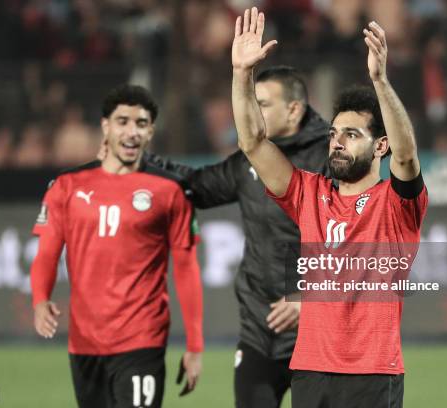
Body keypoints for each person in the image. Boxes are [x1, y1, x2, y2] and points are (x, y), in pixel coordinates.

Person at [99, 65, 329, 407]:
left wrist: (309, 296)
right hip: (260, 331)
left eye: (263, 104)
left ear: (293, 109)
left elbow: (360, 242)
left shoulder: (333, 158)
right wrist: (138, 162)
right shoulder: (251, 160)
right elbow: (197, 185)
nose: (253, 111)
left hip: (320, 335)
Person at [231, 7, 427, 408]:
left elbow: (407, 153)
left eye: (352, 134)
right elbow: (253, 143)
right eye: (334, 132)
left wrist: (380, 81)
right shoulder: (308, 193)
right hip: (310, 370)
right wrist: (241, 75)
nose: (336, 141)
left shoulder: (396, 204)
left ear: (379, 147)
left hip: (371, 373)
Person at [30, 84, 204, 408]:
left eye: (141, 124)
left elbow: (186, 267)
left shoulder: (169, 190)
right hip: (84, 343)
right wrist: (40, 300)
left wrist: (195, 345)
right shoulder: (67, 186)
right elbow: (47, 254)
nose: (131, 131)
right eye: (122, 121)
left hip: (142, 339)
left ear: (151, 131)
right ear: (105, 126)